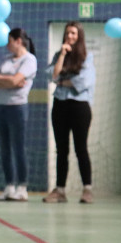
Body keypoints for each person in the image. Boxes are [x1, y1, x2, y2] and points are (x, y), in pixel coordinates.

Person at [44, 21, 95, 204]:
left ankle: (87, 189)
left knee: (80, 148)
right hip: (60, 105)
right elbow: (52, 75)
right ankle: (60, 190)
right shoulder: (59, 55)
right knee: (62, 149)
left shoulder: (87, 57)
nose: (70, 36)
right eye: (68, 33)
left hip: (79, 107)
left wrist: (63, 82)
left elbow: (83, 82)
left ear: (79, 36)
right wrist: (62, 56)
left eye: (73, 33)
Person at [0, 28, 38, 201]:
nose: (7, 45)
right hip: (0, 108)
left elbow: (16, 80)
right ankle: (9, 186)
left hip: (17, 108)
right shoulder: (6, 60)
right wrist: (8, 81)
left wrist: (1, 79)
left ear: (18, 41)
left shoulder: (29, 60)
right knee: (5, 149)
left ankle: (22, 187)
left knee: (18, 148)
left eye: (9, 41)